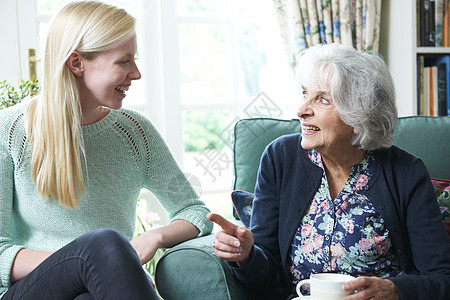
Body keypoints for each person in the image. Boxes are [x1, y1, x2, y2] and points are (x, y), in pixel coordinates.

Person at [0, 1, 212, 299]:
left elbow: (195, 212)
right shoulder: (11, 129)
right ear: (76, 63)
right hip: (28, 290)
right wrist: (89, 264)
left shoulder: (135, 131)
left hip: (97, 290)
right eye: (124, 61)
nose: (136, 73)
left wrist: (155, 236)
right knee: (101, 246)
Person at [207, 43, 450, 300]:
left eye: (322, 99)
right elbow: (266, 271)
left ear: (358, 117)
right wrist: (246, 255)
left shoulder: (406, 173)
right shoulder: (280, 158)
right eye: (304, 94)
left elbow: (442, 277)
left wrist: (395, 290)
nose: (301, 111)